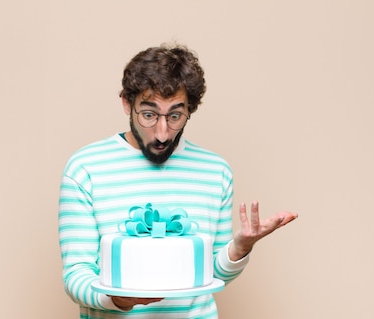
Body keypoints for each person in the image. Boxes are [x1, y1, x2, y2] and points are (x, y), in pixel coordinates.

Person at [58, 43, 298, 318]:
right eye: (149, 115)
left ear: (190, 109)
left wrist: (238, 249)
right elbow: (76, 276)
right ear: (127, 102)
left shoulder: (215, 171)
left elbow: (209, 276)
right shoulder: (85, 168)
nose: (162, 133)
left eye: (174, 116)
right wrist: (120, 300)